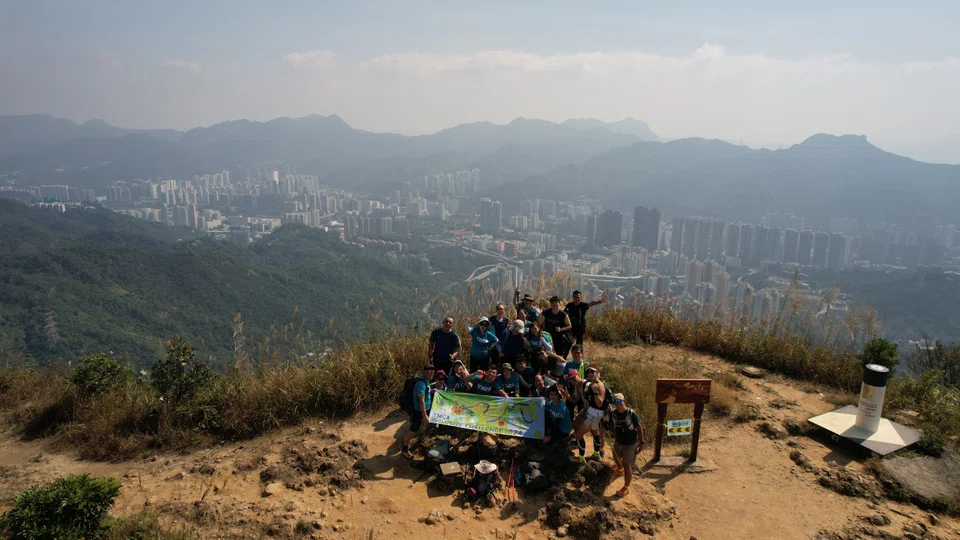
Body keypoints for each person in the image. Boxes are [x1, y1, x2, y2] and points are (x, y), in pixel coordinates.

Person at [609, 393, 645, 497]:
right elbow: (611, 426)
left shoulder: (631, 414)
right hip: (619, 441)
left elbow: (639, 428)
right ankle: (620, 470)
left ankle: (626, 487)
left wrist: (641, 443)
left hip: (630, 443)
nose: (618, 404)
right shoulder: (613, 414)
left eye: (619, 401)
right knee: (615, 457)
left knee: (627, 464)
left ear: (624, 401)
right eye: (615, 402)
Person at [572, 366, 609, 463]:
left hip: (593, 414)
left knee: (579, 434)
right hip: (595, 414)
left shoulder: (599, 386)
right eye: (587, 372)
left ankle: (581, 458)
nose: (589, 374)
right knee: (595, 432)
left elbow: (600, 403)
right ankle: (597, 455)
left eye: (592, 371)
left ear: (597, 372)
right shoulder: (593, 384)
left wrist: (596, 393)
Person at [402, 364, 436, 458]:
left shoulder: (426, 381)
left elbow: (425, 392)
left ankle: (419, 439)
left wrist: (431, 391)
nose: (431, 373)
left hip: (423, 411)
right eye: (429, 371)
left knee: (419, 428)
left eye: (433, 371)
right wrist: (425, 416)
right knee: (413, 430)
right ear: (424, 371)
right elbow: (421, 401)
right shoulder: (421, 384)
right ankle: (404, 448)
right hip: (419, 412)